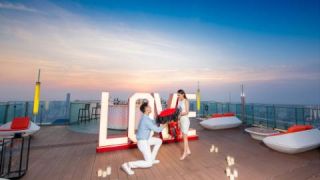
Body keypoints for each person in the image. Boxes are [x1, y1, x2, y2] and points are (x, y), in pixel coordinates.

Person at [121, 102, 164, 175]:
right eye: (149, 106)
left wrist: (162, 119)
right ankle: (128, 165)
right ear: (146, 109)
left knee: (159, 141)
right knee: (148, 163)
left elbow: (154, 122)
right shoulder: (145, 120)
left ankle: (152, 159)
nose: (150, 107)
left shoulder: (146, 118)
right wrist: (165, 124)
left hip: (146, 140)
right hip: (142, 142)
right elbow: (158, 130)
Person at [177, 89, 191, 160]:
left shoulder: (186, 101)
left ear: (183, 94)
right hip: (181, 120)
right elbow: (178, 111)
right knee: (184, 136)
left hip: (185, 120)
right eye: (177, 95)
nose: (178, 96)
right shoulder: (179, 101)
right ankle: (188, 150)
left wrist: (179, 114)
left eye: (179, 95)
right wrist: (178, 121)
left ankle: (185, 153)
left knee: (185, 137)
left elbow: (187, 112)